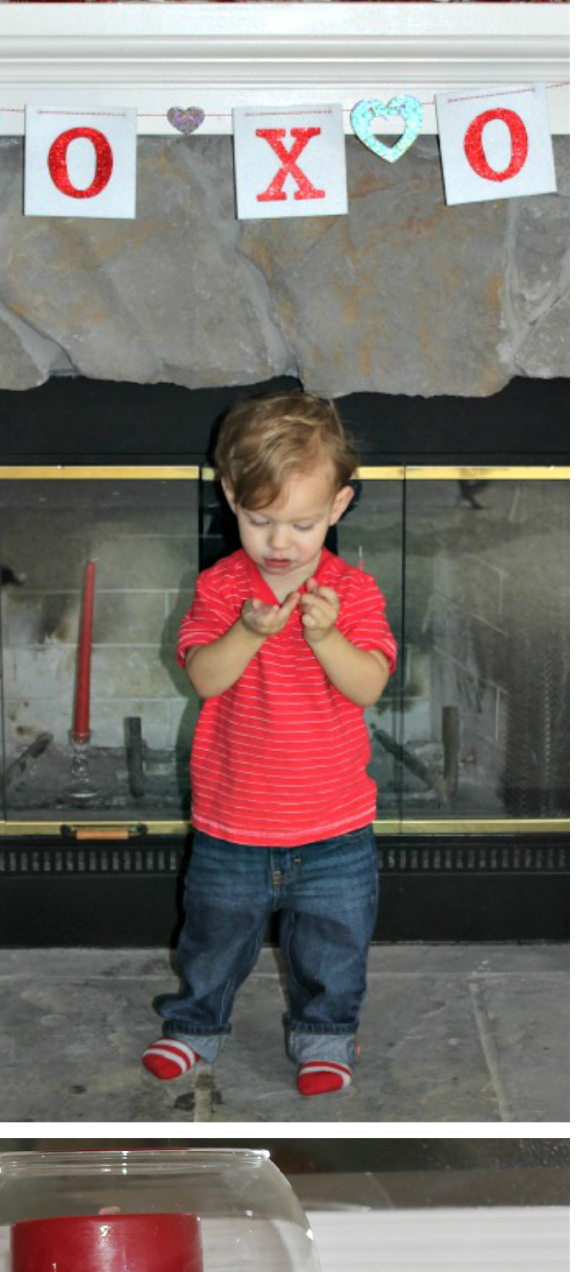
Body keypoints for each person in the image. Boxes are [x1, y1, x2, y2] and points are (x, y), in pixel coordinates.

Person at [144, 390, 396, 1096]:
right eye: (259, 521)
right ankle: (195, 1025)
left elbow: (367, 685)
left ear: (338, 507)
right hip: (233, 823)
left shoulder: (355, 593)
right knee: (212, 938)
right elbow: (204, 676)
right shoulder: (221, 588)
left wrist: (327, 636)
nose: (279, 543)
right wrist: (249, 631)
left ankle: (327, 1035)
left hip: (334, 827)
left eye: (301, 524)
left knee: (334, 948)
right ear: (230, 496)